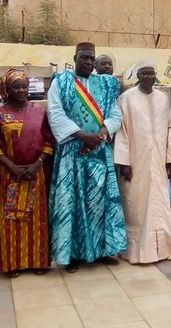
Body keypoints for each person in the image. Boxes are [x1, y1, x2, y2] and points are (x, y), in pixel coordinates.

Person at [47, 42, 126, 272]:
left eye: (91, 59)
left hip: (99, 151)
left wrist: (102, 133)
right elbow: (55, 111)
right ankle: (71, 255)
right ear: (75, 57)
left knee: (99, 202)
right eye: (84, 58)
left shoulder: (105, 83)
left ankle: (101, 250)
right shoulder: (61, 81)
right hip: (72, 150)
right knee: (70, 203)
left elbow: (114, 113)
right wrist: (81, 135)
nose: (89, 63)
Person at [0, 69, 54, 277]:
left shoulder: (39, 111)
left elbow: (49, 141)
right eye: (16, 86)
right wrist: (11, 166)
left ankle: (38, 261)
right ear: (7, 90)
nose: (22, 90)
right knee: (10, 218)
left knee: (37, 218)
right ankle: (11, 263)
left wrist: (37, 164)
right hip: (9, 175)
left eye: (24, 85)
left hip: (36, 173)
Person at [114, 60, 171, 263]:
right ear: (138, 76)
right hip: (135, 161)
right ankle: (136, 252)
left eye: (152, 74)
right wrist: (124, 162)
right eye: (145, 74)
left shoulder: (162, 98)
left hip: (159, 159)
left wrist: (170, 160)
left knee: (160, 203)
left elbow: (170, 129)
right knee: (137, 205)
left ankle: (163, 249)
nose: (149, 77)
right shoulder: (126, 98)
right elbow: (121, 132)